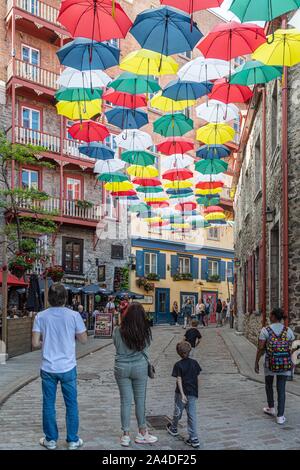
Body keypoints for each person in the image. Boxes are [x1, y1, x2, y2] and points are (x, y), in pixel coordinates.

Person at [32, 283, 87, 450]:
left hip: (48, 367)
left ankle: (50, 440)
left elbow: (34, 343)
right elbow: (84, 339)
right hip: (68, 366)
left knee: (48, 403)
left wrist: (46, 341)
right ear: (65, 298)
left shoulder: (40, 316)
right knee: (71, 404)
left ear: (48, 298)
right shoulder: (74, 315)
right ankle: (72, 439)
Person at [113, 302, 157, 447]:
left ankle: (125, 435)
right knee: (140, 401)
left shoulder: (117, 330)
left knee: (125, 401)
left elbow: (116, 345)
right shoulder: (144, 331)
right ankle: (142, 432)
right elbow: (146, 347)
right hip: (139, 367)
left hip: (121, 368)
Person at [255, 308, 295, 425]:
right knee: (281, 388)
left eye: (270, 315)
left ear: (273, 316)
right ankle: (280, 416)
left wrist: (256, 361)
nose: (269, 317)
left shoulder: (265, 330)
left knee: (268, 384)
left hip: (270, 363)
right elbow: (291, 347)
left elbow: (261, 348)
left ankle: (271, 407)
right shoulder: (288, 330)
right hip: (284, 363)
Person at [166, 341, 201, 448]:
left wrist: (182, 394)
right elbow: (197, 378)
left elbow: (179, 380)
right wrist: (196, 391)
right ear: (190, 350)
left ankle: (174, 428)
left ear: (178, 352)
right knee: (192, 415)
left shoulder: (178, 365)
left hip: (181, 394)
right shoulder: (195, 363)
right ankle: (194, 438)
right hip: (192, 393)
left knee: (178, 411)